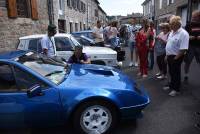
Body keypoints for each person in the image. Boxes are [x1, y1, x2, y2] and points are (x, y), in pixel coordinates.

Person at [164, 16, 189, 97]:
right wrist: (167, 56)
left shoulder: (184, 33)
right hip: (170, 56)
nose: (170, 27)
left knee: (176, 73)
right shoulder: (172, 32)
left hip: (177, 56)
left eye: (172, 25)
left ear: (177, 24)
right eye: (170, 25)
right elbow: (169, 44)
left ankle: (176, 89)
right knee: (171, 72)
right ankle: (172, 85)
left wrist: (175, 58)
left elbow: (184, 49)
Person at [184, 10, 200, 83]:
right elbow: (185, 36)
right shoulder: (188, 25)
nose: (193, 18)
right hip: (190, 46)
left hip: (199, 46)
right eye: (193, 17)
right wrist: (190, 37)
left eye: (195, 17)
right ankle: (186, 76)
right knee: (188, 62)